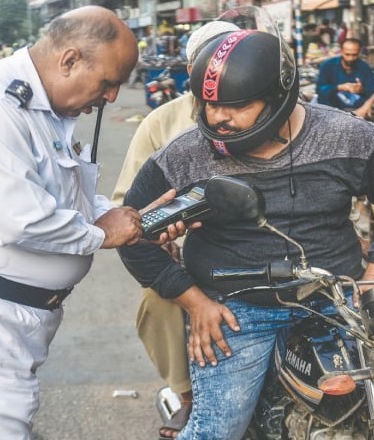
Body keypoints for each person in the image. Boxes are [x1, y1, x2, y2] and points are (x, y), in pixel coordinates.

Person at [117, 19, 374, 440]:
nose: (217, 118)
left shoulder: (348, 136)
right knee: (216, 431)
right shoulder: (184, 155)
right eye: (208, 104)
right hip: (235, 310)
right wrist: (194, 302)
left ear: (278, 96)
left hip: (337, 299)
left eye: (235, 105)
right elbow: (131, 231)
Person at [0, 7, 191, 439]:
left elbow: (66, 193)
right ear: (69, 60)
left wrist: (125, 217)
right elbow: (22, 221)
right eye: (108, 82)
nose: (111, 98)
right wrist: (103, 233)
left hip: (6, 319)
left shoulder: (44, 107)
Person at [111, 19, 240, 440]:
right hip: (189, 250)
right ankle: (187, 396)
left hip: (262, 244)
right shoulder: (162, 124)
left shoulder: (278, 112)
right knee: (162, 300)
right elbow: (125, 207)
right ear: (193, 70)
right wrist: (161, 237)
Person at [316, 38, 374, 109]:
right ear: (341, 51)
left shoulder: (364, 67)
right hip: (332, 107)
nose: (350, 58)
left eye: (354, 55)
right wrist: (339, 87)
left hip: (357, 108)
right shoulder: (328, 65)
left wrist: (361, 90)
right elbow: (319, 89)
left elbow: (373, 90)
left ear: (359, 52)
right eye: (347, 54)